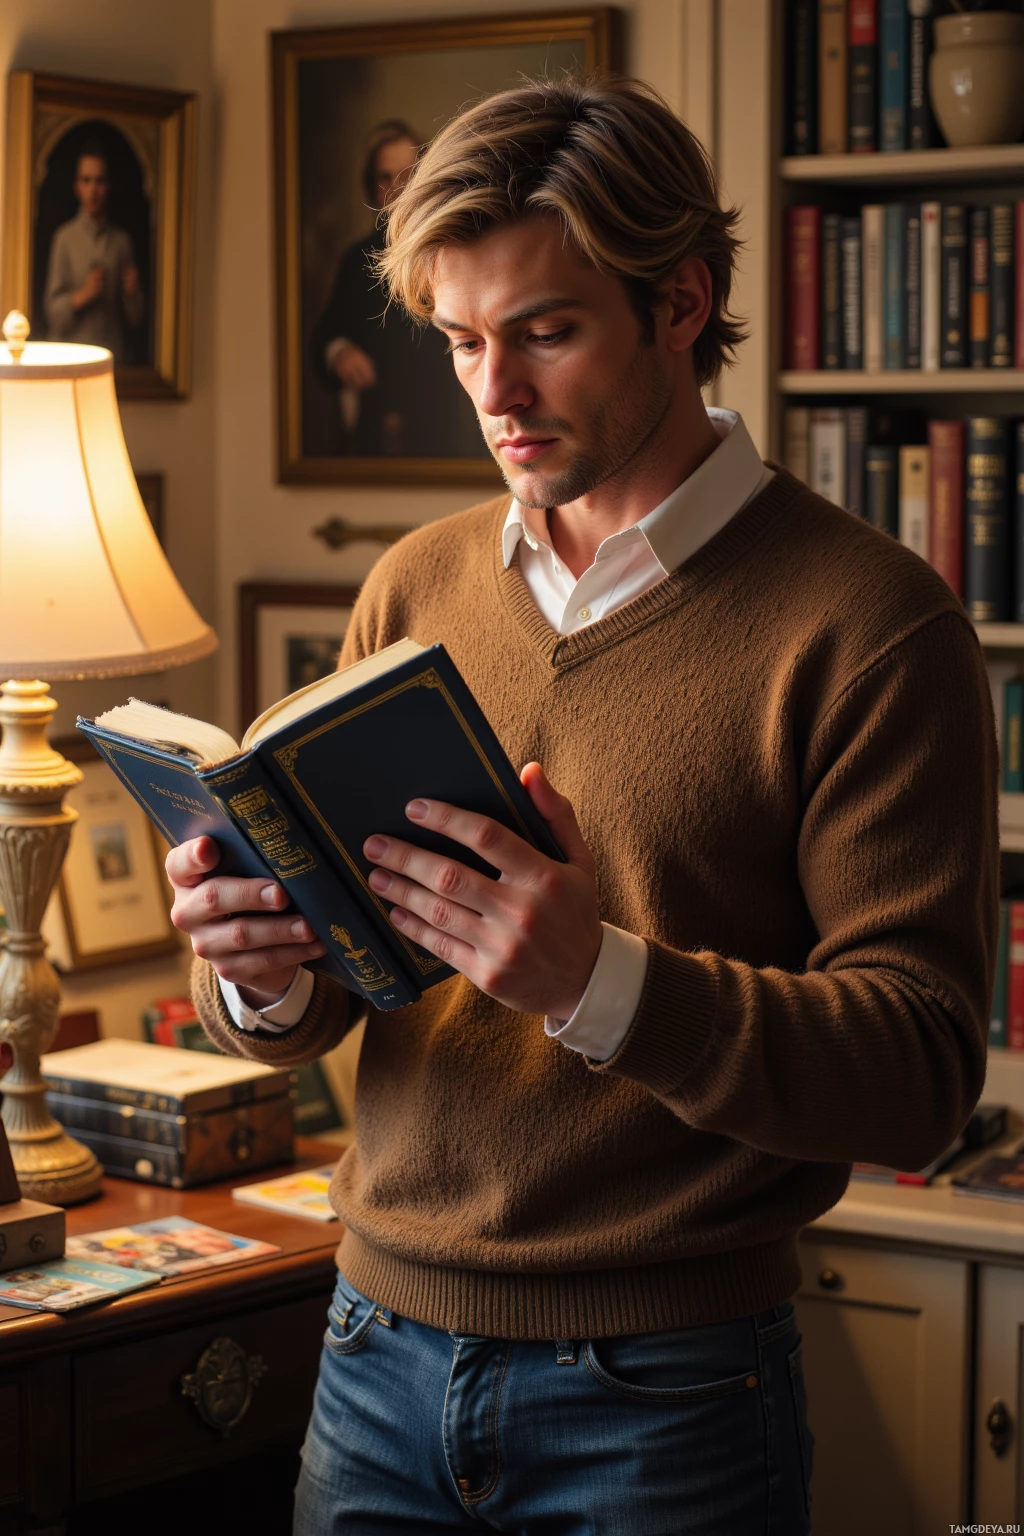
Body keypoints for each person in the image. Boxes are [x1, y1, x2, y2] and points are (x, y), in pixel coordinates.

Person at [171, 76, 998, 1533]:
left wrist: (596, 982)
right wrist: (256, 972)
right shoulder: (414, 586)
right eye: (461, 341)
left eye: (544, 333)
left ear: (681, 303)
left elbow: (922, 1071)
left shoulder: (870, 624)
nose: (494, 394)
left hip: (669, 1393)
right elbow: (352, 982)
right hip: (371, 1351)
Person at [309, 119, 479, 458]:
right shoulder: (357, 258)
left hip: (445, 433)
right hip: (373, 438)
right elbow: (325, 338)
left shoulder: (456, 250)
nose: (396, 189)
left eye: (407, 175)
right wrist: (340, 351)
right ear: (372, 186)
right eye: (385, 178)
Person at [43, 144, 144, 363]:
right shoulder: (64, 239)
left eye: (99, 180)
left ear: (109, 186)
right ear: (76, 186)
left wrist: (133, 293)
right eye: (86, 180)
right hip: (70, 358)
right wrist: (83, 295)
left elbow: (135, 320)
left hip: (110, 359)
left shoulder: (121, 242)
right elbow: (52, 315)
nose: (93, 190)